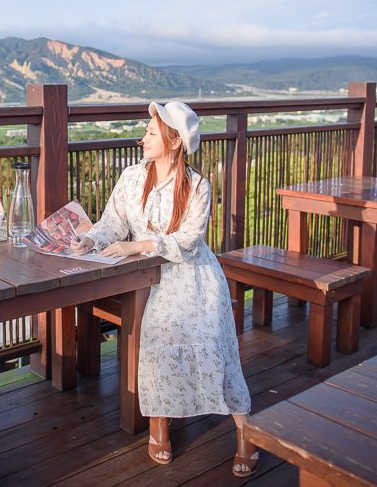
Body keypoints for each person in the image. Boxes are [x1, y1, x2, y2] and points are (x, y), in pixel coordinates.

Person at [71, 101, 258, 477]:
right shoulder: (131, 178)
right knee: (156, 342)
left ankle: (246, 433)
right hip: (147, 277)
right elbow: (112, 223)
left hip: (193, 276)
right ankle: (159, 422)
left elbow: (188, 242)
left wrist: (137, 246)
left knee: (214, 345)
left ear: (173, 142)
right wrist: (89, 241)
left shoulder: (198, 186)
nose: (143, 138)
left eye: (151, 133)